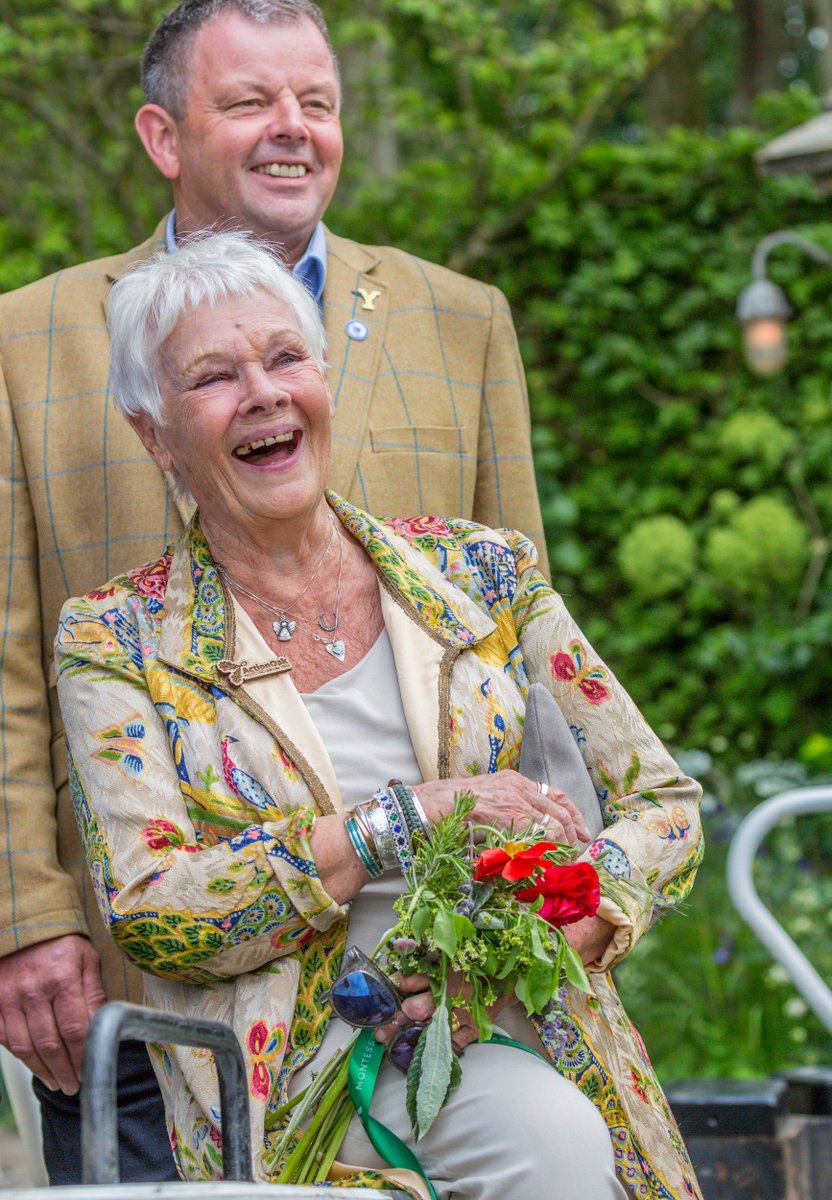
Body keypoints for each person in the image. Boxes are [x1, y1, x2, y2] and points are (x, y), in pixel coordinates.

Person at [0, 0, 545, 1180]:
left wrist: (531, 910)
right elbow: (1, 667)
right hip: (141, 968)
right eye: (249, 101)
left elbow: (526, 661)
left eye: (317, 102)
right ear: (162, 136)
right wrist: (24, 917)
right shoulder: (28, 340)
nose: (291, 130)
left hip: (433, 972)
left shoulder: (461, 323)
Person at [55, 232, 703, 1200]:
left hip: (524, 1020)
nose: (263, 392)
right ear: (154, 433)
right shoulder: (118, 638)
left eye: (284, 358)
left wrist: (566, 921)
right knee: (546, 1145)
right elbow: (156, 913)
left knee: (559, 1130)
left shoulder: (483, 575)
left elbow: (664, 802)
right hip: (298, 1078)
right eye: (214, 378)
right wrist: (399, 821)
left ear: (323, 379)